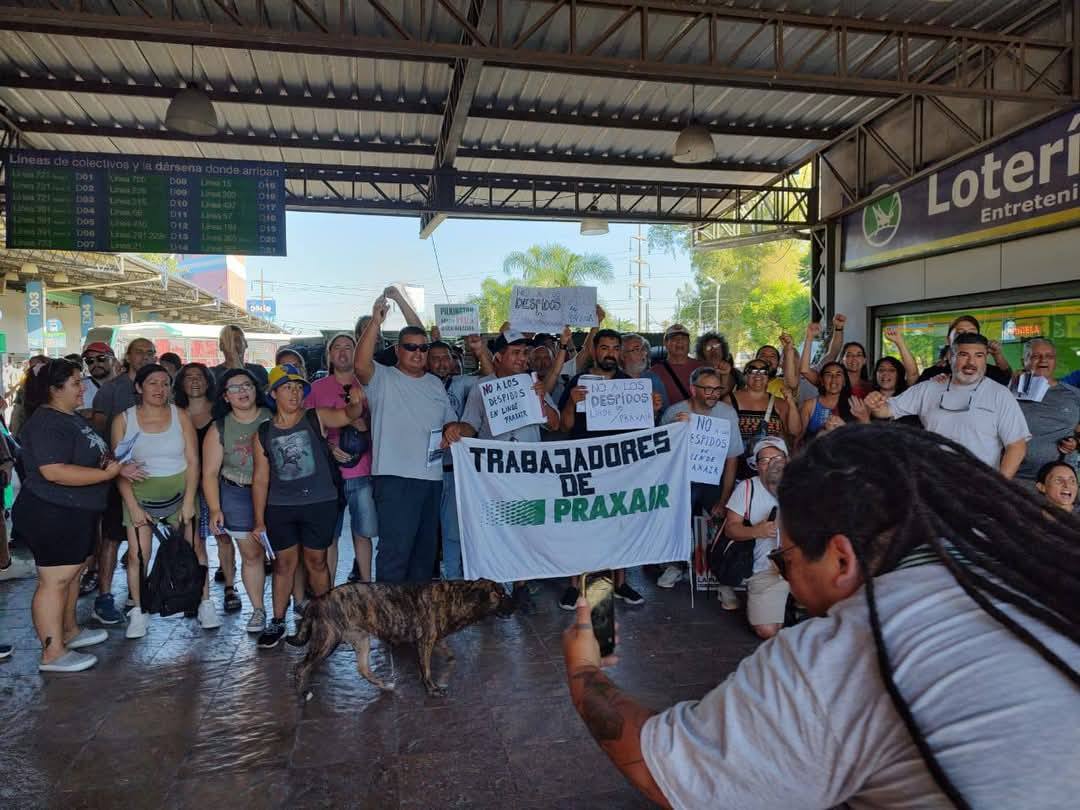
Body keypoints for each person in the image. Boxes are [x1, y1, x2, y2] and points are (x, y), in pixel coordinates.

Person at [561, 423, 1080, 808]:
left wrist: (583, 673)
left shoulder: (846, 654)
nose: (785, 577)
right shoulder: (1028, 559)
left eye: (785, 560)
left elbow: (662, 771)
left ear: (840, 558)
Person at [14, 359, 143, 671]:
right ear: (54, 390)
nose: (82, 388)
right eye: (75, 383)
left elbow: (90, 456)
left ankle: (68, 631)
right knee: (54, 580)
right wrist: (106, 475)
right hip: (53, 511)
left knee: (71, 574)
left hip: (76, 510)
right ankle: (52, 652)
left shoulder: (70, 417)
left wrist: (116, 467)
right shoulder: (47, 423)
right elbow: (54, 470)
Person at [251, 364, 363, 648]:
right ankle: (277, 621)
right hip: (281, 507)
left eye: (299, 387)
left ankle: (327, 619)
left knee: (317, 562)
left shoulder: (316, 417)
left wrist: (355, 403)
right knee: (283, 565)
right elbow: (261, 478)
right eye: (288, 387)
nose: (295, 392)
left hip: (319, 503)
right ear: (274, 393)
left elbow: (347, 415)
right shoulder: (263, 432)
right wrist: (258, 519)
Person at [554, 329, 659, 609]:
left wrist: (653, 409)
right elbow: (564, 427)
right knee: (579, 525)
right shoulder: (579, 382)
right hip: (584, 465)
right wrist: (573, 404)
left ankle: (621, 582)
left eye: (615, 347)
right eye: (604, 347)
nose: (610, 352)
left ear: (620, 353)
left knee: (620, 523)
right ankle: (574, 586)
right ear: (594, 351)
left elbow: (644, 430)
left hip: (619, 467)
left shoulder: (631, 384)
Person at [356, 296, 456, 585]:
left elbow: (450, 421)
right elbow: (360, 364)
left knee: (424, 557)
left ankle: (415, 621)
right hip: (395, 479)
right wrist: (376, 321)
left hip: (432, 480)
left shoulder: (436, 384)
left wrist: (454, 429)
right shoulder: (382, 378)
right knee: (394, 555)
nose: (418, 352)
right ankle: (388, 623)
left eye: (423, 348)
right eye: (410, 347)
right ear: (398, 350)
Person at [113, 363, 202, 639]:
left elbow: (192, 460)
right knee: (139, 554)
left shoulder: (181, 415)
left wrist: (189, 500)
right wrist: (133, 507)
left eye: (165, 383)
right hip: (139, 494)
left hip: (179, 490)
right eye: (153, 383)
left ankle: (202, 601)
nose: (160, 389)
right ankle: (139, 610)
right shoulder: (124, 420)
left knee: (194, 548)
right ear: (139, 387)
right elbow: (118, 467)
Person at [865, 333, 1031, 477]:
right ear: (951, 356)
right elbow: (886, 411)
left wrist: (999, 487)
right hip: (933, 485)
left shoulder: (1000, 394)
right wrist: (875, 403)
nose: (971, 362)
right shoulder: (929, 387)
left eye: (979, 356)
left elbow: (1016, 446)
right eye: (964, 355)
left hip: (980, 488)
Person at [657, 367, 745, 590]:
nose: (713, 394)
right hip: (681, 481)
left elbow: (732, 458)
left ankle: (722, 575)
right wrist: (675, 430)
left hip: (714, 479)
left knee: (726, 519)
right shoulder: (674, 412)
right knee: (678, 516)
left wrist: (725, 498)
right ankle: (676, 564)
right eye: (707, 389)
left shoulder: (727, 413)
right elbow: (659, 455)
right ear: (693, 389)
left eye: (717, 389)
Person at [90, 337, 158, 627]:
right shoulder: (111, 391)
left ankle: (136, 593)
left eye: (150, 352)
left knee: (143, 535)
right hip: (117, 475)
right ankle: (104, 596)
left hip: (153, 475)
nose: (145, 356)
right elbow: (98, 432)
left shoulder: (160, 388)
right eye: (139, 351)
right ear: (127, 356)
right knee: (113, 536)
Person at [202, 368, 273, 634]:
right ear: (225, 396)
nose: (242, 391)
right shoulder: (219, 427)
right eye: (234, 388)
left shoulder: (274, 417)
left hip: (276, 494)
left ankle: (294, 604)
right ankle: (258, 610)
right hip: (237, 493)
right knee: (252, 555)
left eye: (247, 385)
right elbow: (209, 473)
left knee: (287, 555)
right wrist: (215, 508)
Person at [304, 333, 378, 585]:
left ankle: (367, 586)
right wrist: (327, 446)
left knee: (363, 533)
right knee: (329, 538)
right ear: (329, 355)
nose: (344, 352)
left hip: (363, 472)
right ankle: (329, 593)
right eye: (338, 348)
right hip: (327, 477)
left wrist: (364, 425)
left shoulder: (370, 384)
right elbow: (305, 428)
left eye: (349, 347)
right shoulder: (315, 389)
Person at [716, 437, 790, 633]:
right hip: (767, 569)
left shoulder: (803, 485)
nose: (772, 463)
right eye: (764, 460)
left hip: (801, 566)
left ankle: (791, 603)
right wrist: (757, 530)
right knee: (768, 630)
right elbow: (731, 529)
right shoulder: (747, 488)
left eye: (776, 457)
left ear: (787, 460)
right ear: (757, 467)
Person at [173, 363, 229, 611]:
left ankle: (230, 586)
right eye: (188, 377)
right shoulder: (174, 413)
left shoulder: (221, 412)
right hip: (186, 484)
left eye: (199, 377)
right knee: (193, 541)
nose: (194, 381)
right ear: (181, 384)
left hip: (216, 482)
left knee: (223, 536)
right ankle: (196, 591)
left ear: (208, 382)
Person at [427, 337, 480, 581]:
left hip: (454, 469)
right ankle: (428, 578)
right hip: (423, 470)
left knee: (452, 531)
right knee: (424, 530)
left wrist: (479, 350)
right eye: (435, 358)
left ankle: (456, 582)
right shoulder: (418, 384)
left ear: (453, 360)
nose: (441, 363)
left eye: (445, 357)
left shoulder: (464, 383)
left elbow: (493, 381)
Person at [1012, 338, 1080, 489]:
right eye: (1035, 356)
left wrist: (1076, 442)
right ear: (1024, 361)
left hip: (1062, 484)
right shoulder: (1009, 393)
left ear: (1055, 361)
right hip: (1018, 480)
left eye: (1049, 356)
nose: (1043, 360)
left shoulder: (1074, 395)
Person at [733, 358, 801, 476]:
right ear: (745, 375)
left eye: (764, 371)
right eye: (753, 370)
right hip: (735, 468)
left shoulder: (779, 403)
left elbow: (795, 431)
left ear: (768, 377)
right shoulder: (730, 400)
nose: (758, 374)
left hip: (770, 471)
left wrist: (790, 402)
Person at [916, 314, 1013, 385]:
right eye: (959, 333)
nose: (966, 337)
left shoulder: (988, 372)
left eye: (972, 333)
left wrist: (998, 355)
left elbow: (1008, 378)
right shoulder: (931, 374)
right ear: (948, 340)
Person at [353, 285, 425, 367]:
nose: (374, 330)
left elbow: (419, 334)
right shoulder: (350, 359)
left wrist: (398, 298)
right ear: (358, 335)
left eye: (377, 327)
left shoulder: (390, 356)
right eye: (367, 327)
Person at [798, 360, 861, 446]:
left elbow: (862, 438)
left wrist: (843, 428)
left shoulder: (854, 404)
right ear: (822, 381)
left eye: (838, 374)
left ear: (844, 382)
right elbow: (799, 438)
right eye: (828, 374)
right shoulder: (810, 405)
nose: (834, 378)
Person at [649, 324, 700, 407]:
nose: (679, 341)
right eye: (674, 338)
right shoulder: (654, 372)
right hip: (668, 418)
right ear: (665, 343)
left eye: (683, 338)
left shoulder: (702, 368)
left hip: (699, 418)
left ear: (689, 342)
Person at [620, 333, 669, 415]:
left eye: (643, 349)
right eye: (636, 349)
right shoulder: (612, 379)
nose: (644, 353)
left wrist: (655, 411)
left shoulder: (654, 379)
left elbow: (666, 414)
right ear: (622, 355)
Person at [211, 325, 269, 391]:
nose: (232, 345)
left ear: (246, 344)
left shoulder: (259, 371)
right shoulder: (212, 374)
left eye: (237, 340)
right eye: (229, 341)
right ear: (221, 346)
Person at [78, 341, 116, 418]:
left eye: (101, 358)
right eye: (90, 360)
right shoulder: (79, 387)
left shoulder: (126, 384)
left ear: (114, 361)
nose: (95, 364)